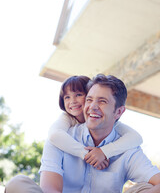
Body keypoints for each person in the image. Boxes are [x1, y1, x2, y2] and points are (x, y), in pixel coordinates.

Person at [5, 74, 160, 193]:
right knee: (17, 184)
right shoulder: (61, 137)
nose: (92, 106)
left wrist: (105, 152)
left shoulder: (127, 148)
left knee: (146, 187)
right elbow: (50, 190)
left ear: (118, 112)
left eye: (102, 101)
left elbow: (137, 140)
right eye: (90, 100)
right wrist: (86, 154)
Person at [48, 75, 143, 169]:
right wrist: (87, 154)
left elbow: (136, 137)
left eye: (78, 95)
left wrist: (104, 152)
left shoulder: (104, 120)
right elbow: (54, 135)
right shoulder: (67, 117)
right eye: (67, 97)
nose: (72, 101)